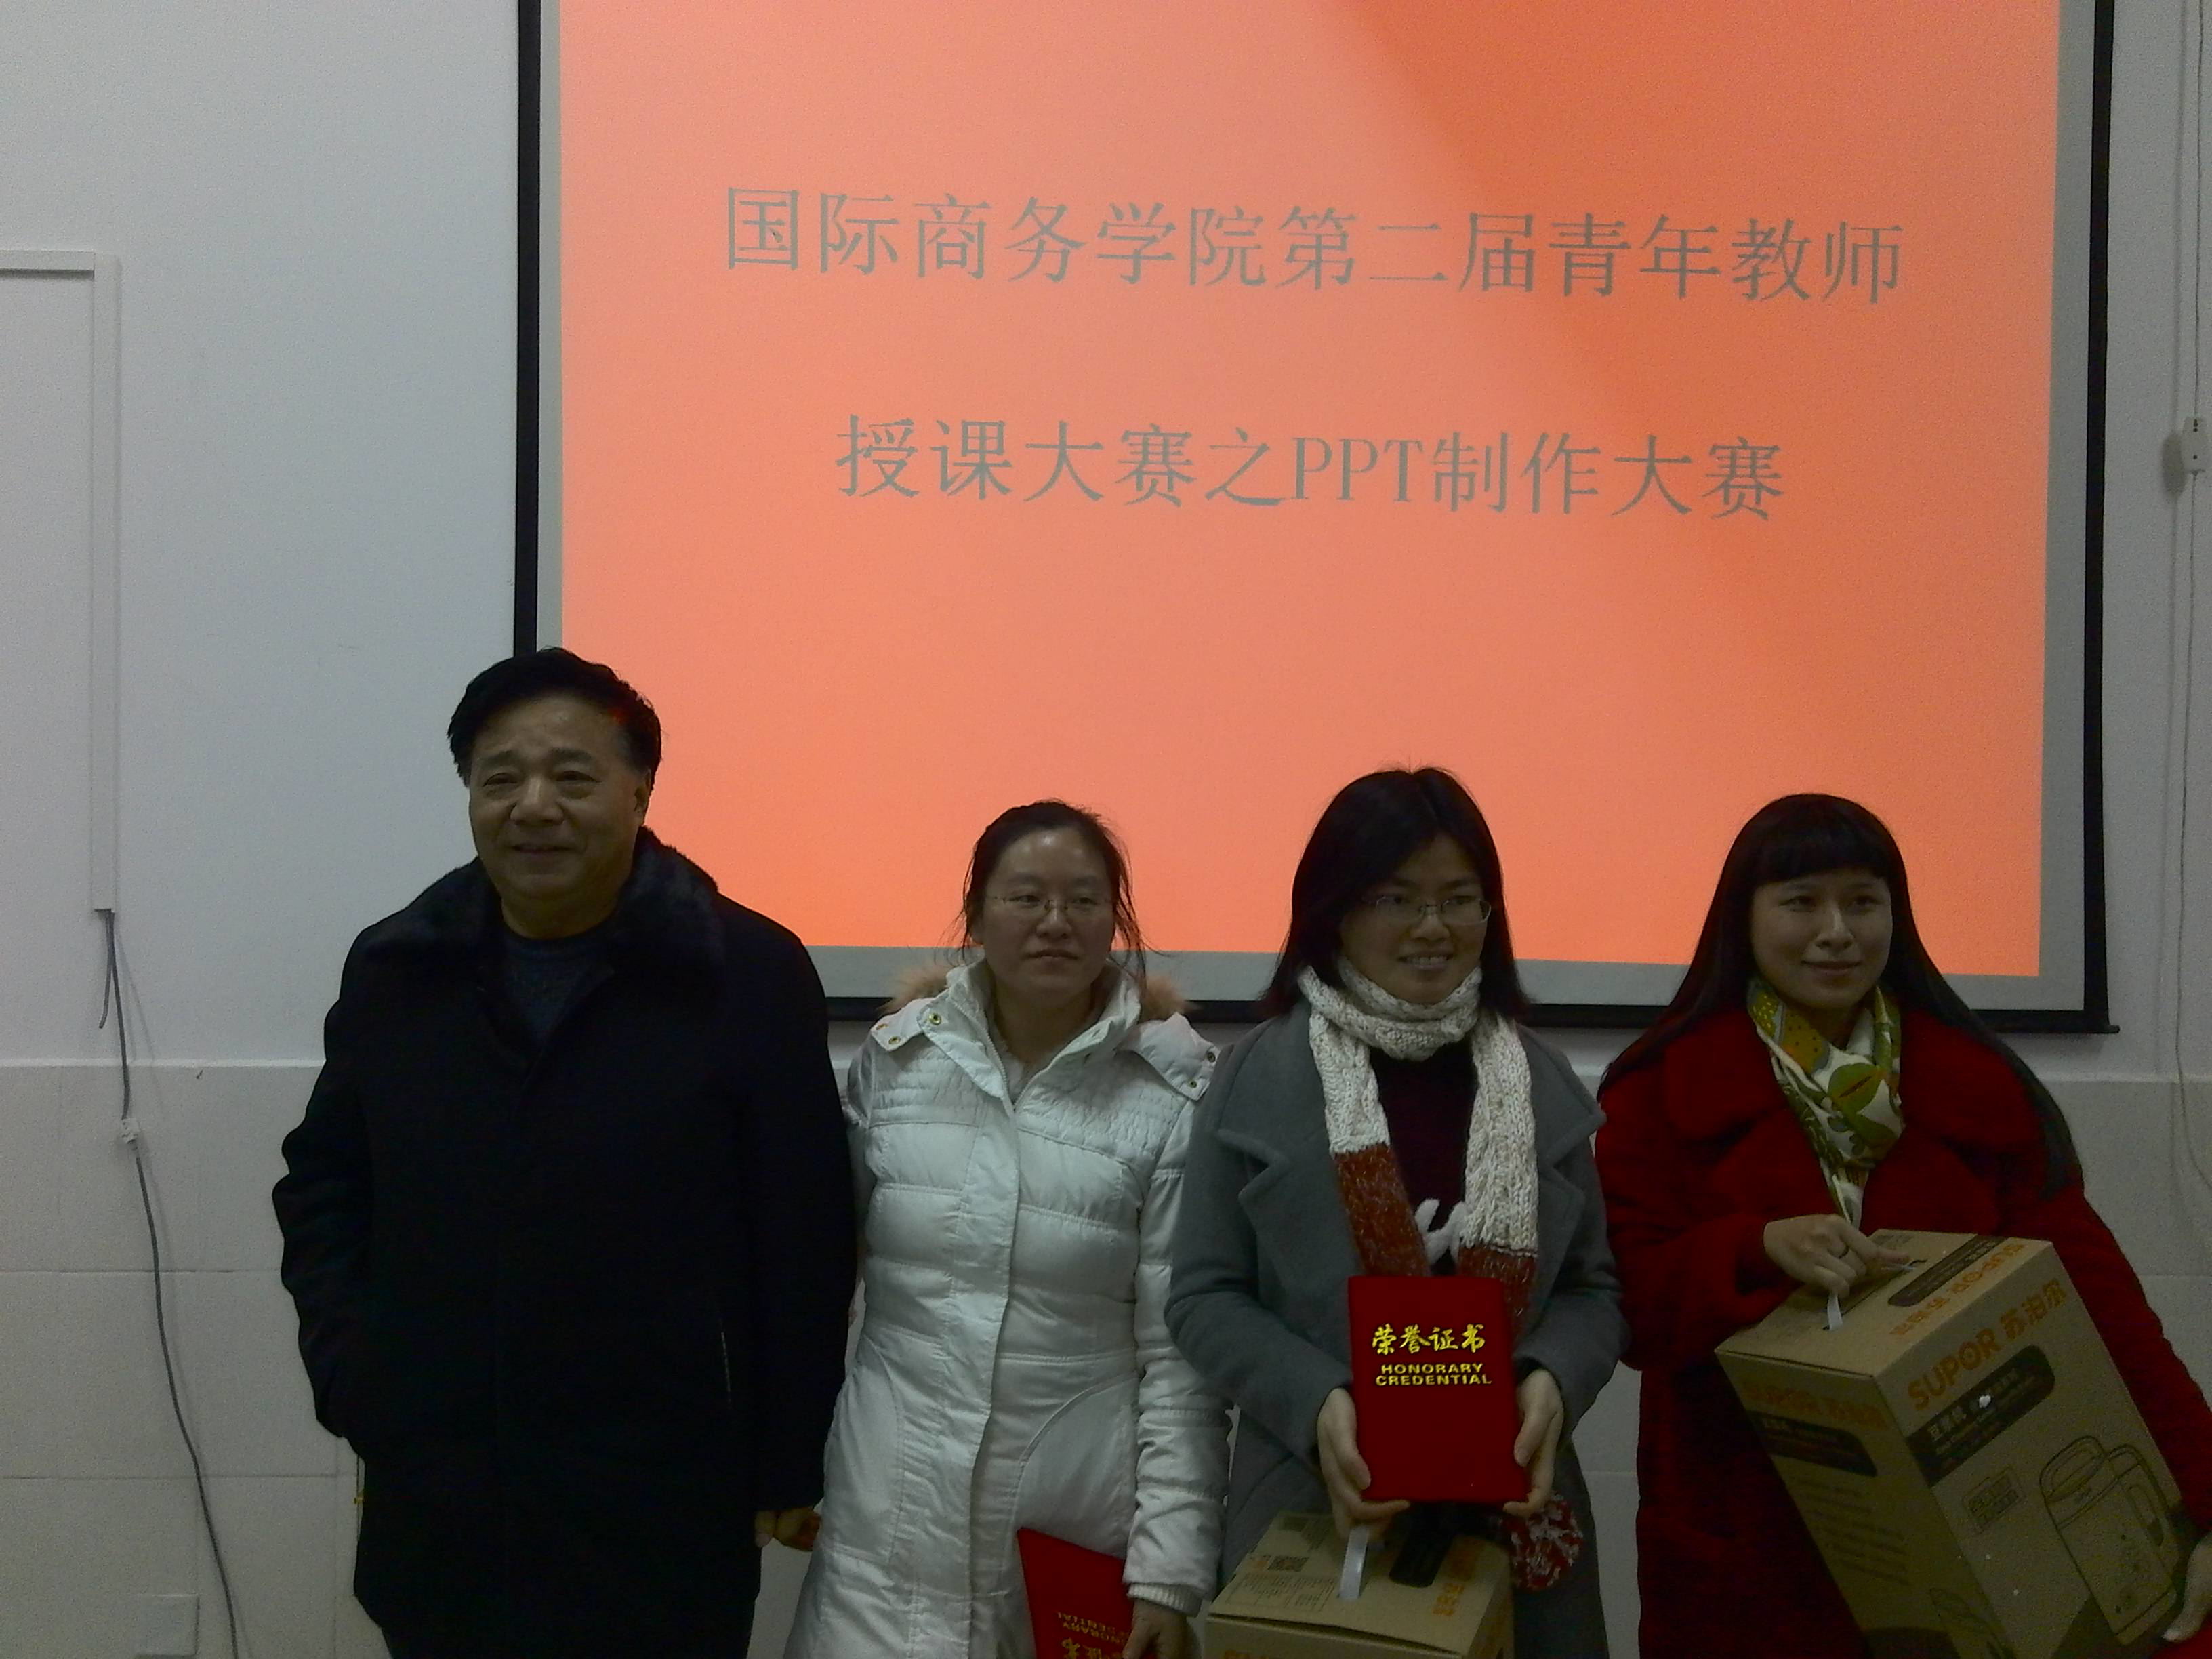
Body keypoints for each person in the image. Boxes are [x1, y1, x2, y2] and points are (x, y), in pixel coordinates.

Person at [272, 648, 855, 1659]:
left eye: (572, 777)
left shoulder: (746, 972)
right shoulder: (399, 967)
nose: (533, 807)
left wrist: (785, 1455)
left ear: (640, 792)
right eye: (501, 778)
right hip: (444, 1492)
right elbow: (326, 1184)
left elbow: (803, 1234)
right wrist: (356, 1373)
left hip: (662, 1495)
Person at [1596, 793, 2212, 1657]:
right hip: (1750, 1537)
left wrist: (2201, 1495)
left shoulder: (1977, 1086)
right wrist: (1756, 1247)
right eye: (1802, 902)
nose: (1837, 932)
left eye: (1863, 901)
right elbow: (1632, 1304)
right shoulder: (1662, 1089)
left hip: (1961, 1525)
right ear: (1744, 917)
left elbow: (2100, 1309)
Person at [1168, 767, 1622, 1656]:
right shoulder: (1256, 1078)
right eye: (1396, 899)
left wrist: (1552, 1378)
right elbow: (1203, 1297)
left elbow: (1592, 1291)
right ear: (1334, 910)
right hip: (1318, 1500)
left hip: (1515, 1511)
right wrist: (1319, 1402)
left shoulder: (1539, 1082)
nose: (1432, 927)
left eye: (1460, 899)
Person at [783, 800, 1228, 1659]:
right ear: (977, 914)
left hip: (1069, 1541)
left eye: (1084, 900)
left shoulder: (1170, 1094)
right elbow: (818, 1285)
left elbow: (1180, 1364)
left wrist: (1168, 1573)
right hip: (881, 1535)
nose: (1055, 922)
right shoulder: (899, 1063)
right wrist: (791, 1466)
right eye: (1026, 897)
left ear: (1114, 919)